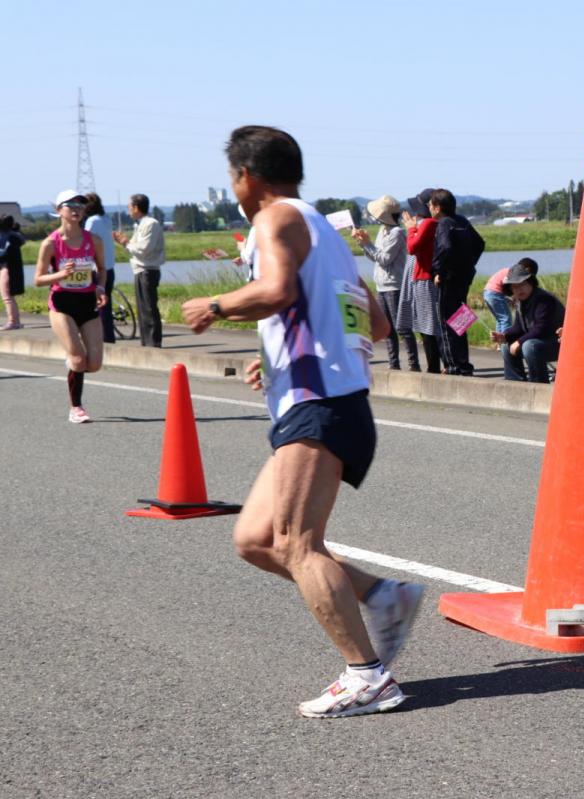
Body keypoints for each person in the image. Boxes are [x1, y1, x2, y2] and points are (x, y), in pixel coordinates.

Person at [180, 126, 425, 719]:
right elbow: (379, 327)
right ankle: (382, 596)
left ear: (246, 177)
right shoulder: (328, 234)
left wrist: (215, 305)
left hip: (321, 403)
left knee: (295, 543)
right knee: (257, 540)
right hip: (328, 399)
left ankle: (369, 677)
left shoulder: (273, 218)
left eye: (233, 179)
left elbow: (275, 289)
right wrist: (282, 359)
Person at [34, 190, 108, 423]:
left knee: (93, 364)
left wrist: (100, 288)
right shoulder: (50, 244)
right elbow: (38, 279)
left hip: (87, 303)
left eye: (80, 205)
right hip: (61, 304)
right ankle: (76, 408)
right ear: (59, 211)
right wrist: (60, 274)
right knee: (79, 360)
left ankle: (74, 364)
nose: (76, 209)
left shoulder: (93, 240)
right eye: (70, 205)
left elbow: (103, 269)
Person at [352, 195, 412, 370]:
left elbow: (385, 259)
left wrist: (367, 243)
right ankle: (394, 364)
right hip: (381, 285)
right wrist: (363, 243)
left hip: (394, 285)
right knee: (387, 329)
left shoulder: (397, 233)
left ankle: (413, 364)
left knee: (401, 328)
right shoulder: (383, 230)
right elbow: (375, 257)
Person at [430, 189, 486, 375]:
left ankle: (453, 365)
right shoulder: (462, 220)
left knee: (445, 323)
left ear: (438, 208)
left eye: (431, 205)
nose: (429, 208)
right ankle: (464, 364)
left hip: (448, 278)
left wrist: (438, 270)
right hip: (464, 277)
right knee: (460, 321)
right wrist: (468, 264)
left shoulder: (444, 223)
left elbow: (445, 247)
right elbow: (480, 244)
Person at [489, 259, 564, 383]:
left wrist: (519, 342)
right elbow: (518, 327)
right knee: (506, 347)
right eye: (515, 287)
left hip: (557, 343)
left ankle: (538, 383)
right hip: (540, 342)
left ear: (531, 283)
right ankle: (515, 383)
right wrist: (504, 336)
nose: (519, 290)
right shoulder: (521, 302)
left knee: (529, 346)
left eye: (522, 285)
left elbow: (541, 328)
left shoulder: (544, 300)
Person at [398, 189, 442, 373]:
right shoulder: (443, 223)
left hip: (425, 278)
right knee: (432, 324)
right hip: (431, 278)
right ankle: (447, 365)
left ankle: (435, 367)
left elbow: (411, 247)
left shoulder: (429, 223)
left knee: (428, 326)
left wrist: (411, 229)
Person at [113, 194, 165, 347]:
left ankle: (153, 342)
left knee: (149, 308)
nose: (129, 210)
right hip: (141, 269)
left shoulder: (150, 224)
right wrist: (126, 243)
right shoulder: (141, 224)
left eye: (130, 207)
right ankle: (146, 341)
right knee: (143, 309)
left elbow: (144, 249)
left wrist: (126, 242)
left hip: (148, 269)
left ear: (136, 207)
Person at [83, 194, 117, 343]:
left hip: (96, 268)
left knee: (96, 305)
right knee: (106, 304)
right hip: (109, 267)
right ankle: (108, 335)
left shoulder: (92, 221)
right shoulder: (106, 219)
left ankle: (100, 336)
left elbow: (86, 241)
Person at [0, 215, 25, 330]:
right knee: (10, 296)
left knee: (7, 296)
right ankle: (16, 321)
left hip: (6, 268)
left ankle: (13, 322)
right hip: (13, 268)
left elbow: (2, 252)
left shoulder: (4, 237)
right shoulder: (15, 235)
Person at [483, 263, 520, 334]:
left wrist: (511, 299)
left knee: (500, 320)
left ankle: (500, 342)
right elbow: (508, 284)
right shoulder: (512, 272)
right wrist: (514, 297)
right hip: (494, 293)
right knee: (506, 319)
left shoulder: (508, 270)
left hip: (488, 293)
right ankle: (505, 342)